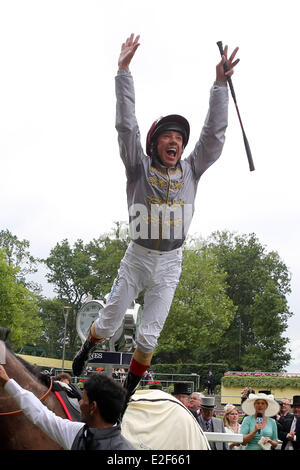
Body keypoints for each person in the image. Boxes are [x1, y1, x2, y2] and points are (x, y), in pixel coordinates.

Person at [72, 33, 240, 400]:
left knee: (149, 336)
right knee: (110, 321)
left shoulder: (193, 169)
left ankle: (127, 396)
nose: (176, 142)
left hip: (170, 262)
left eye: (180, 138)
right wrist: (123, 72)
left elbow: (213, 135)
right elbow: (126, 127)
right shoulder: (138, 166)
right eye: (169, 136)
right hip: (137, 257)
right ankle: (87, 348)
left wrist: (219, 85)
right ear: (154, 143)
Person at [0, 365, 133, 450]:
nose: (80, 404)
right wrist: (7, 381)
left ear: (93, 407)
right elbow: (40, 414)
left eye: (83, 400)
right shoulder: (79, 432)